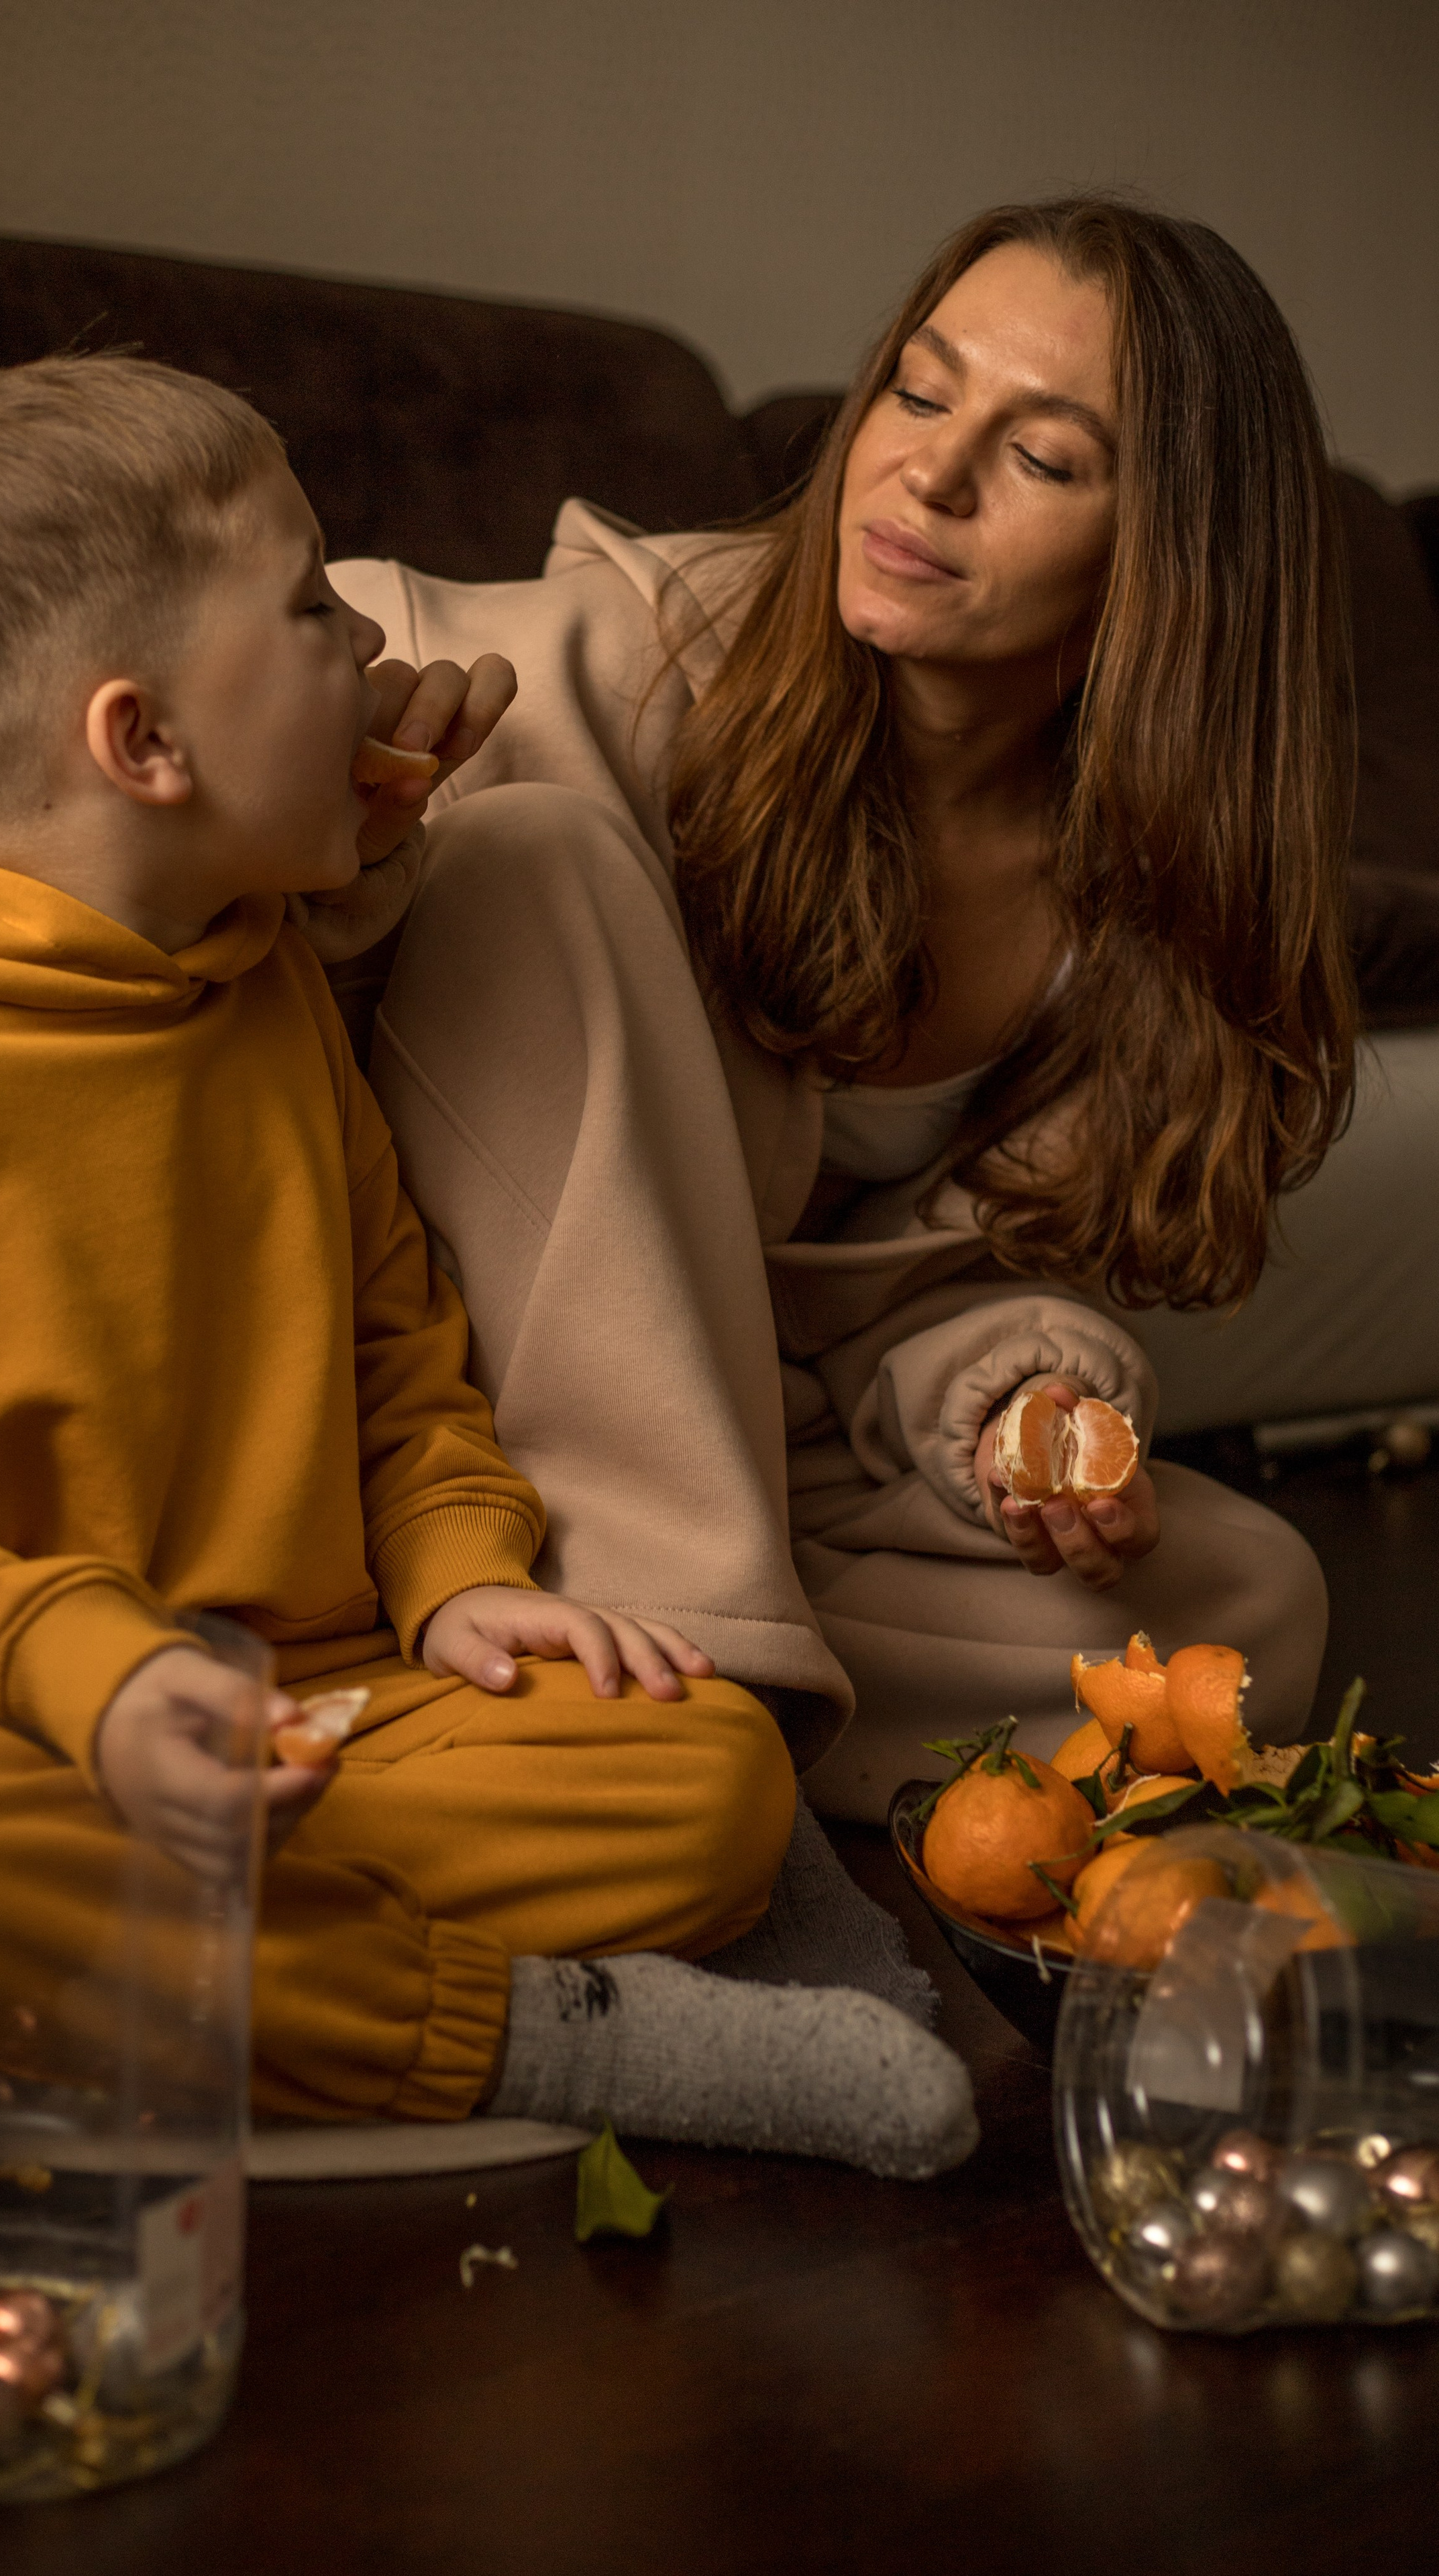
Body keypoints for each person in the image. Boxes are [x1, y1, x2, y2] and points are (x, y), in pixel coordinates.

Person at [0, 356, 975, 2191]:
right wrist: (91, 1675)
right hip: (14, 1728)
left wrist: (465, 1579)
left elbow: (404, 1363)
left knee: (706, 1784)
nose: (366, 645)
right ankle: (542, 2034)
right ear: (145, 746)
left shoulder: (268, 988)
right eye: (310, 606)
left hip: (332, 1720)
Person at [323, 197, 1350, 1819]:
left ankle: (672, 1675)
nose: (925, 476)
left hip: (739, 1448)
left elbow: (932, 1290)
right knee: (531, 849)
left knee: (1249, 1597)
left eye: (1042, 457)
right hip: (467, 1413)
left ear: (1166, 566)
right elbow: (266, 660)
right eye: (920, 393)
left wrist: (1018, 1406)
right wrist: (341, 811)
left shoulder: (1138, 910)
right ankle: (695, 1693)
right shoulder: (643, 660)